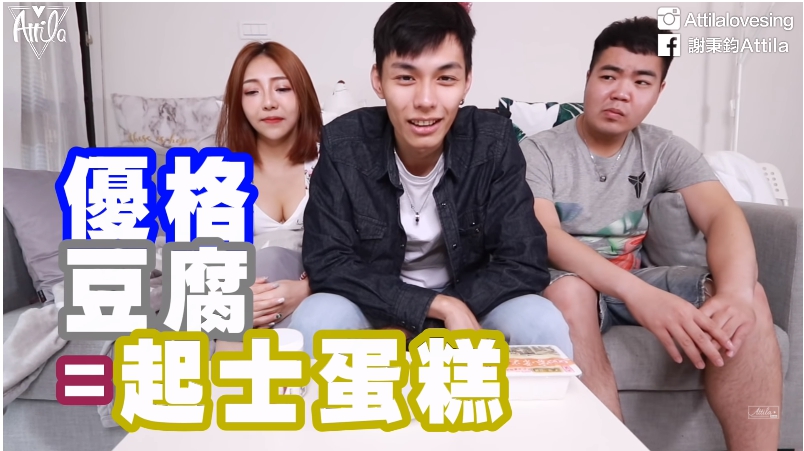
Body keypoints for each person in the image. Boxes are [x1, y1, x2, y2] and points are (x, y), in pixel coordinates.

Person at [520, 17, 782, 450]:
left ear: (659, 91)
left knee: (748, 297)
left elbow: (722, 215)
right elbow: (545, 234)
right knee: (571, 293)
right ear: (588, 78)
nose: (621, 92)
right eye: (609, 76)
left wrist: (735, 293)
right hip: (565, 282)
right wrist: (639, 295)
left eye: (641, 82)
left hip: (635, 280)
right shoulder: (540, 151)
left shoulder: (664, 148)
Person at [289, 2, 572, 358]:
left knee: (542, 321)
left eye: (445, 79)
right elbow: (328, 261)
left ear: (467, 82)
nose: (425, 100)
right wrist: (430, 307)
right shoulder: (345, 144)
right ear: (378, 80)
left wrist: (435, 314)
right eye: (406, 78)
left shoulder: (493, 141)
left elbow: (523, 261)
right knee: (316, 317)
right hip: (376, 305)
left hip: (472, 302)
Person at [215, 41, 323, 332]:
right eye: (252, 92)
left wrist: (306, 289)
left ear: (302, 94)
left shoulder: (332, 161)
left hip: (320, 293)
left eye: (282, 88)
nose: (268, 103)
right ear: (238, 102)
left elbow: (359, 251)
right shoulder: (219, 172)